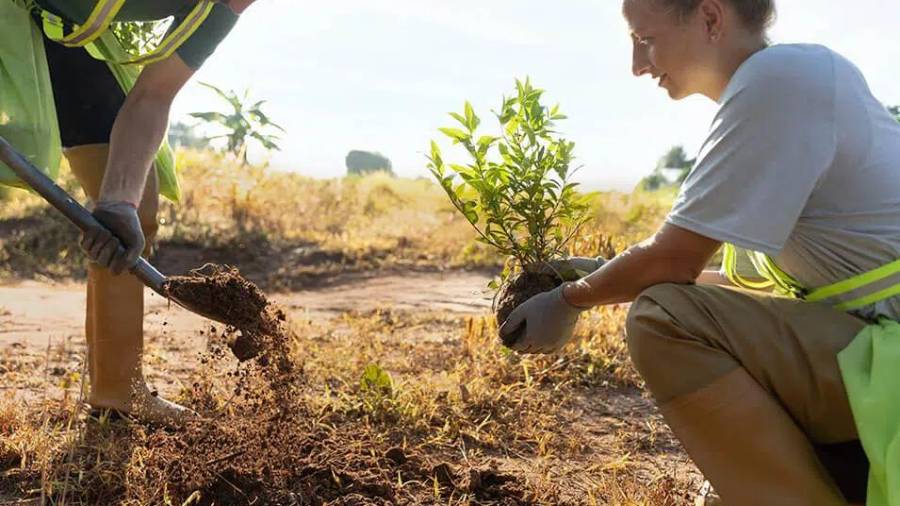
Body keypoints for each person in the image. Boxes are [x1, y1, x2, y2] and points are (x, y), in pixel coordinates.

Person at [499, 0, 900, 504]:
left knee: (663, 317)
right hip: (873, 345)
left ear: (710, 18)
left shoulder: (780, 79)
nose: (637, 66)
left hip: (891, 360)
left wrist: (571, 299)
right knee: (673, 303)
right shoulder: (792, 81)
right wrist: (609, 273)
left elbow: (674, 259)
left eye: (644, 39)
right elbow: (748, 292)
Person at [0, 0, 254, 425]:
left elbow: (155, 93)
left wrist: (119, 202)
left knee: (139, 198)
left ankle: (118, 393)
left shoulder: (223, 6)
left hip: (62, 31)